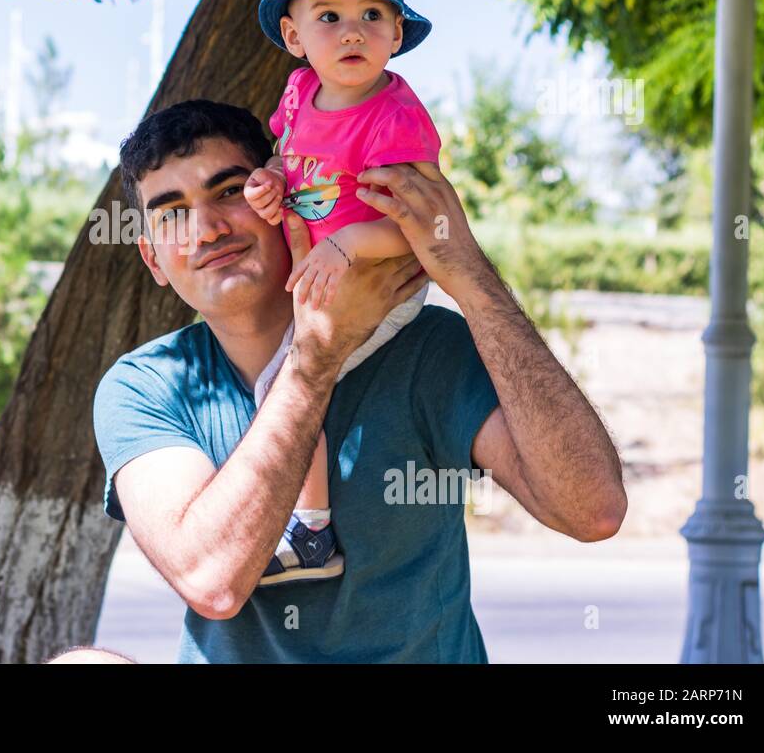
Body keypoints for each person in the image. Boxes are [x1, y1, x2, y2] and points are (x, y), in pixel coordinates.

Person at [50, 100, 625, 663]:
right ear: (153, 260)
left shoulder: (425, 349)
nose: (206, 229)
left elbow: (590, 510)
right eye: (172, 212)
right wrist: (315, 359)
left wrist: (470, 276)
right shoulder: (148, 386)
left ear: (285, 197)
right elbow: (213, 582)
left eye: (230, 191)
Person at [241, 0, 442, 585]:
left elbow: (422, 220)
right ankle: (291, 509)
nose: (352, 32)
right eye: (329, 16)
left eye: (372, 15)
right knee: (275, 379)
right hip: (318, 276)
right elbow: (285, 160)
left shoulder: (394, 114)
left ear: (396, 34)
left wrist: (349, 239)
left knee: (287, 385)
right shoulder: (299, 95)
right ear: (296, 38)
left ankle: (312, 534)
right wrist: (270, 180)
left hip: (379, 278)